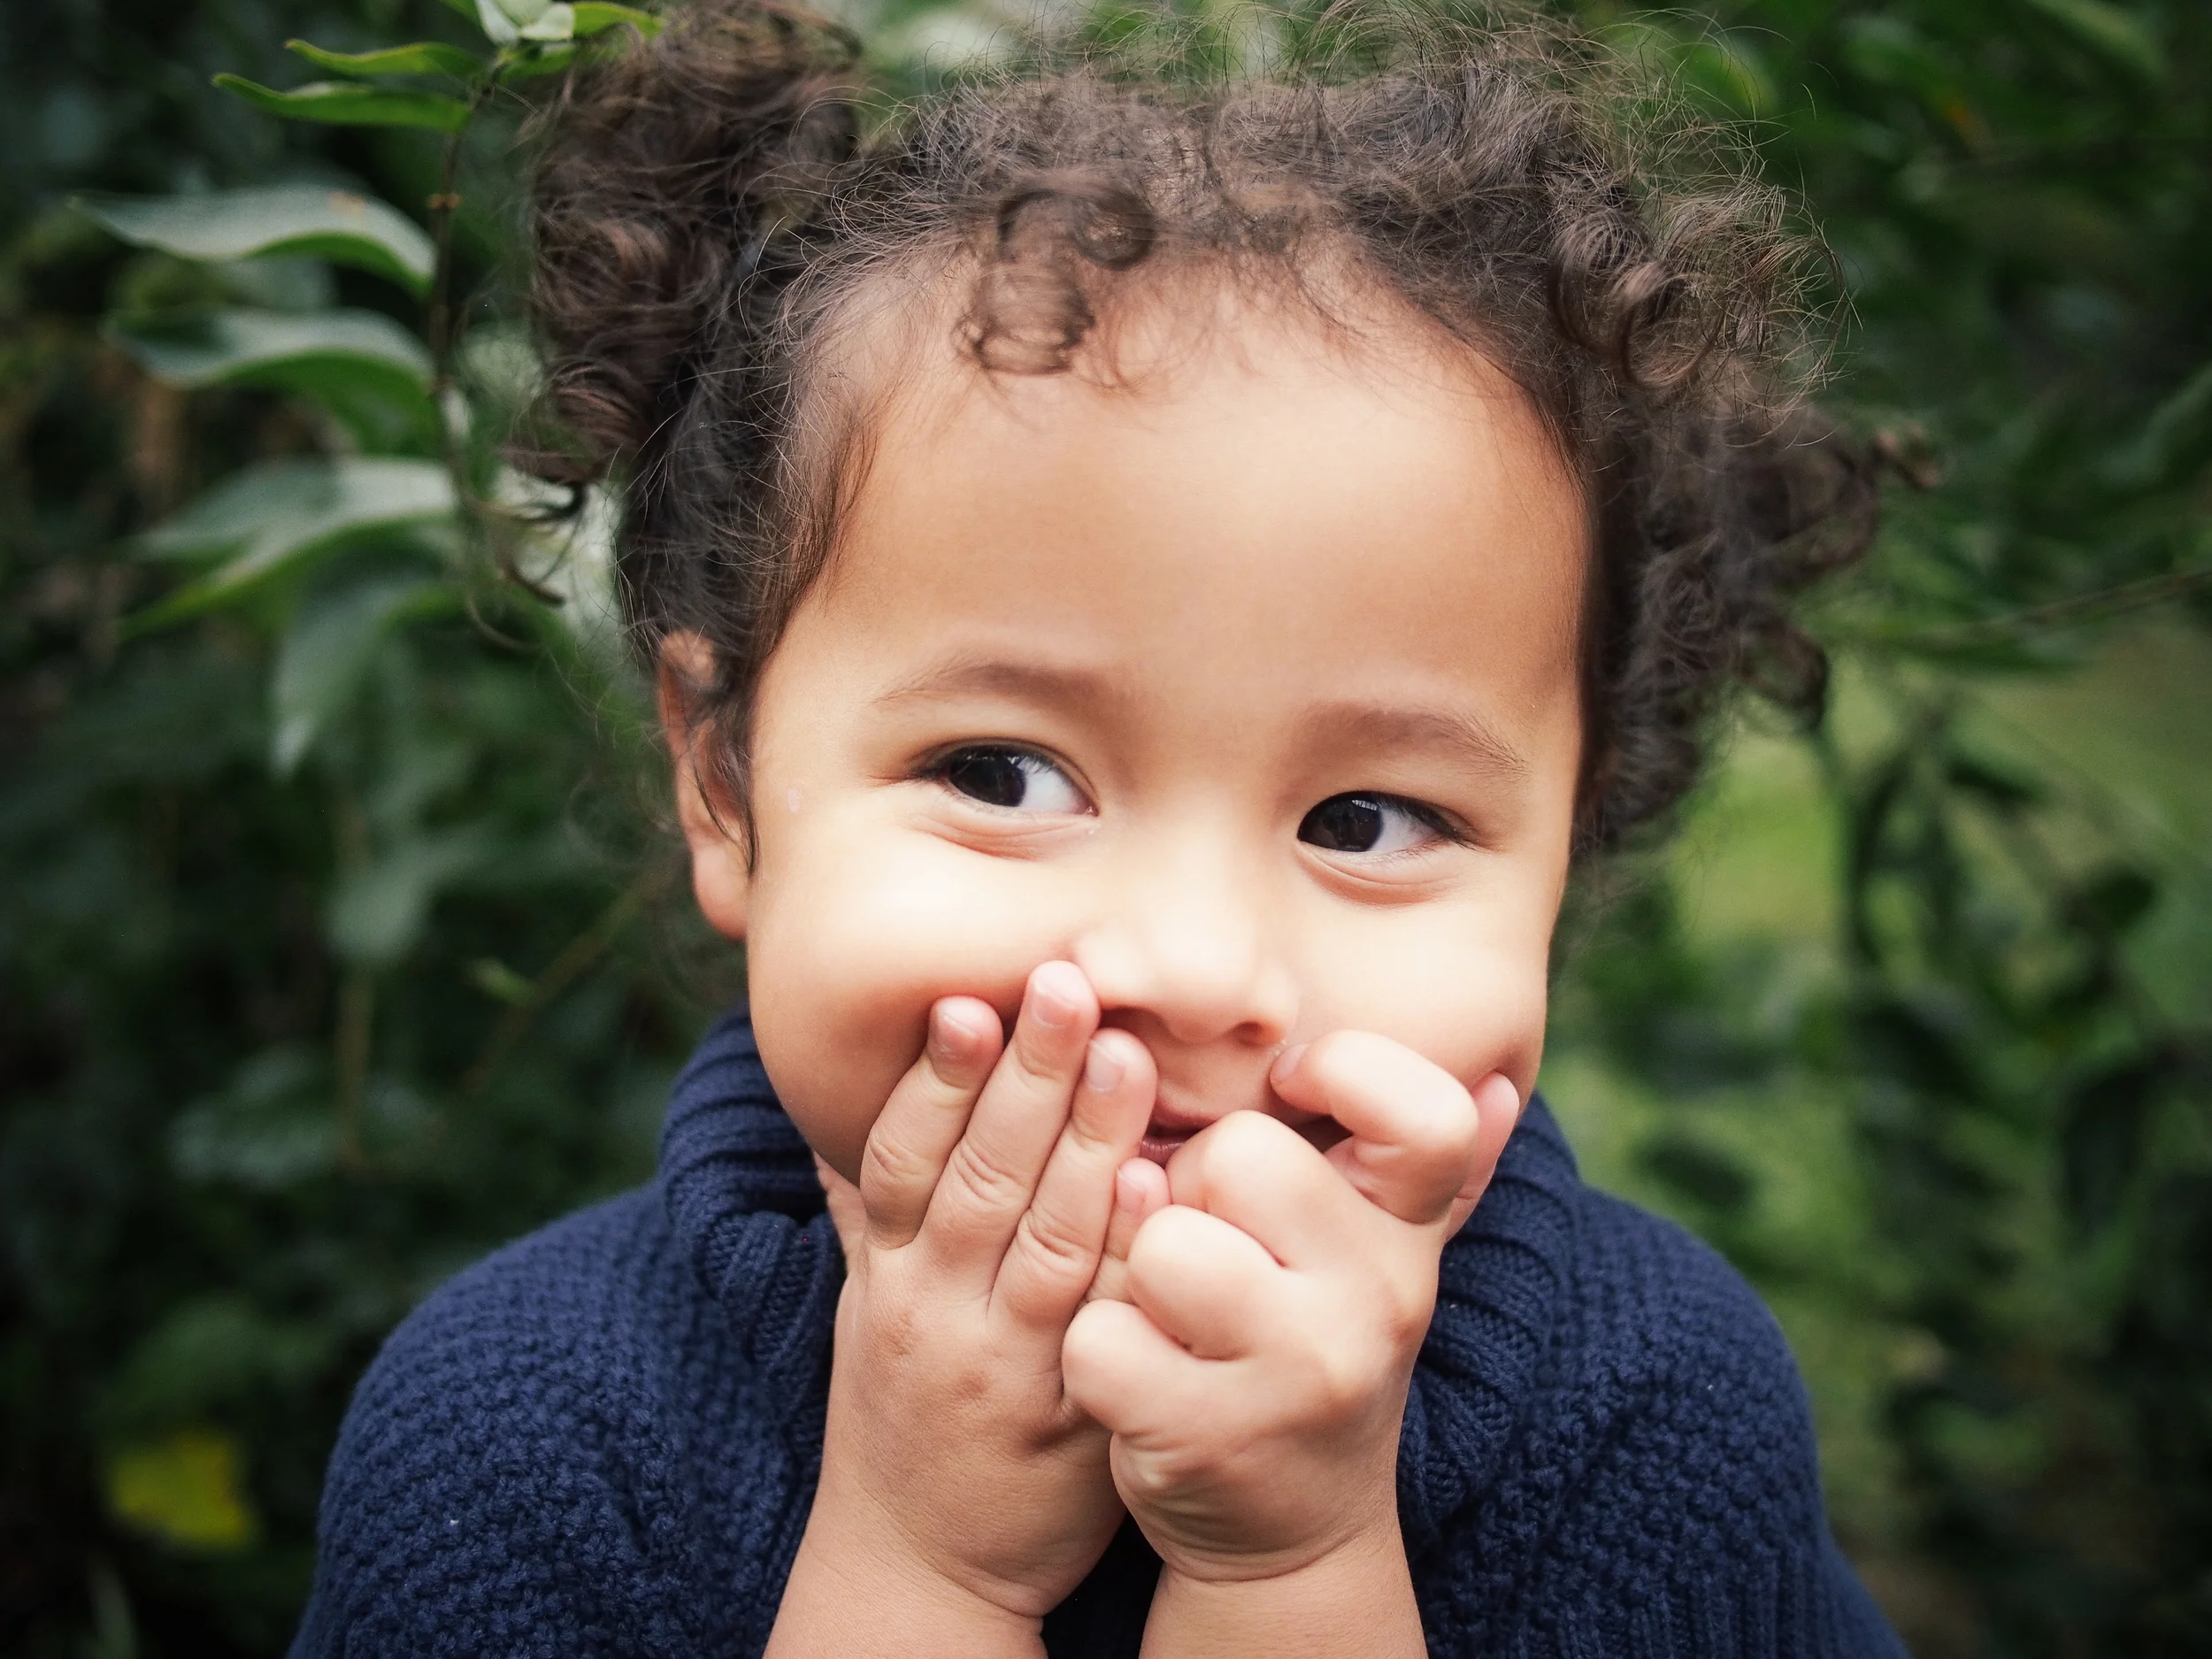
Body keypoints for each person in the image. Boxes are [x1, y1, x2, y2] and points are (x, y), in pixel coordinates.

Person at [291, 3, 1901, 1654]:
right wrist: (922, 1566)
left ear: (1569, 841)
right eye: (1000, 775)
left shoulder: (1647, 1426)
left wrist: (1294, 1567)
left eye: (1368, 815)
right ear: (724, 776)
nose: (1195, 971)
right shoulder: (522, 1444)